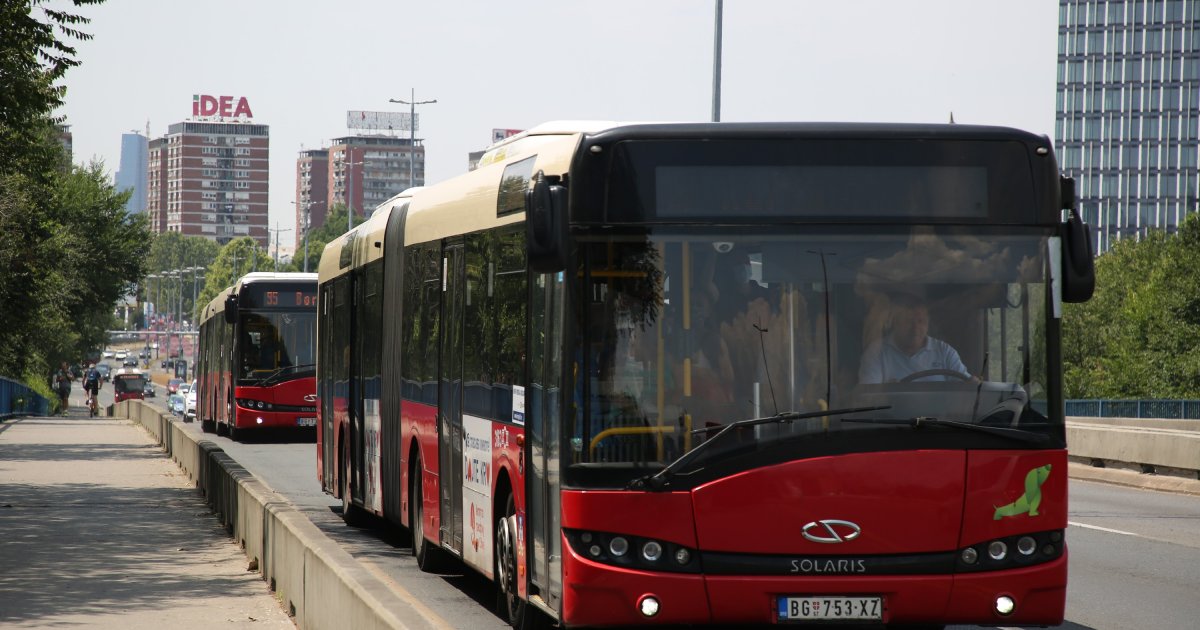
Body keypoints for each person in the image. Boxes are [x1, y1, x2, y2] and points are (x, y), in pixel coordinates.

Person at [858, 293, 971, 384]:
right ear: (895, 323)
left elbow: (966, 387)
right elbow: (869, 397)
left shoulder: (944, 352)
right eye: (908, 321)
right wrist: (887, 392)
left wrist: (973, 384)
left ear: (928, 323)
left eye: (921, 321)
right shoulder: (876, 352)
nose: (915, 328)